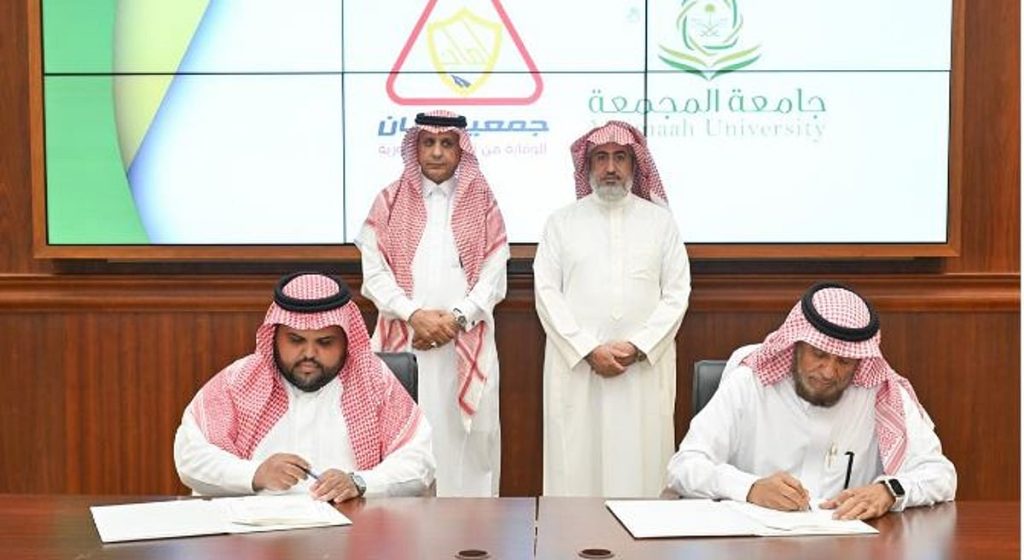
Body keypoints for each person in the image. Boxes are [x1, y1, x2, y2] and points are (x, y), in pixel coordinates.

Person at [667, 282, 957, 520]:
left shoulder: (880, 394)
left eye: (845, 361)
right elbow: (684, 466)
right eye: (819, 355)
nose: (829, 372)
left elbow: (941, 474)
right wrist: (750, 488)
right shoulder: (750, 384)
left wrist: (890, 491)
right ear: (796, 345)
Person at [174, 272, 435, 501]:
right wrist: (255, 474)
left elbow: (418, 460)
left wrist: (359, 482)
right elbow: (191, 455)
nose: (309, 353)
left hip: (350, 530)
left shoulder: (374, 381)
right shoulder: (239, 381)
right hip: (257, 533)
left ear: (346, 341)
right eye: (296, 340)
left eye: (325, 342)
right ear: (275, 337)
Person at [356, 111, 509, 497]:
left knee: (469, 450)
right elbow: (374, 275)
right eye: (428, 143)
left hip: (466, 343)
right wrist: (414, 316)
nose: (437, 152)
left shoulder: (483, 203)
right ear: (416, 148)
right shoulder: (388, 201)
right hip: (404, 344)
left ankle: (470, 530)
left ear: (461, 150)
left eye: (447, 144)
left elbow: (494, 277)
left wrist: (455, 320)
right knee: (402, 440)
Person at [535, 120, 692, 497]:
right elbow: (546, 293)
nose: (610, 167)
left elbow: (677, 292)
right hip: (577, 368)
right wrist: (587, 349)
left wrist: (638, 346)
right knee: (576, 467)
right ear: (587, 165)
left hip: (641, 369)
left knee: (641, 465)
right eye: (601, 158)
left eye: (620, 157)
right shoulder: (560, 223)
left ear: (634, 165)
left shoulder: (661, 223)